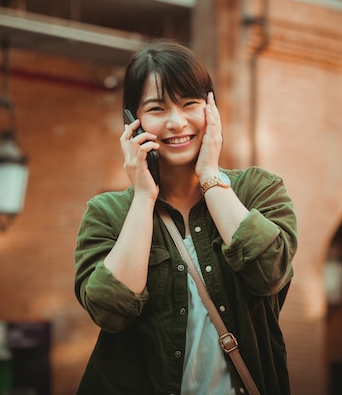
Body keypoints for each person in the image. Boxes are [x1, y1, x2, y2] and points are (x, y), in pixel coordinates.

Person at [74, 40, 298, 395]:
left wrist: (210, 175)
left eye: (189, 104)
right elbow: (110, 311)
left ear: (211, 108)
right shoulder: (107, 214)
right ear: (132, 121)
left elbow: (268, 272)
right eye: (157, 108)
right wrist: (144, 198)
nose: (177, 122)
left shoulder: (257, 189)